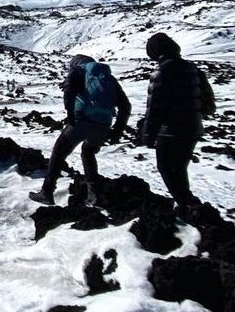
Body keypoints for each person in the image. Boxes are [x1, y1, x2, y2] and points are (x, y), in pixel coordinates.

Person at [31, 54, 131, 205]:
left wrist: (70, 113)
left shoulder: (78, 70)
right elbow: (126, 106)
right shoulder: (108, 78)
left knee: (59, 151)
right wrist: (117, 130)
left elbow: (69, 90)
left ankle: (47, 192)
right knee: (88, 152)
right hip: (103, 125)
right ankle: (94, 194)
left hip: (82, 120)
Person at [140, 32, 215, 210]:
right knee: (179, 169)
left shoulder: (161, 72)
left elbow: (155, 108)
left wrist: (148, 135)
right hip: (193, 128)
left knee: (166, 168)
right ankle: (190, 207)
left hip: (171, 131)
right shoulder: (193, 69)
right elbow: (208, 103)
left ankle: (189, 207)